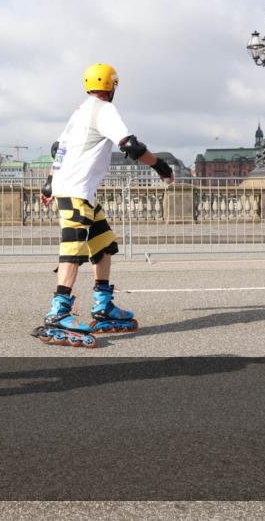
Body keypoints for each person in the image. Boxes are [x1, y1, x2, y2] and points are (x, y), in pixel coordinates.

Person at [33, 63, 174, 348]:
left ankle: (104, 305)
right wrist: (159, 165)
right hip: (77, 192)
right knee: (73, 251)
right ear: (112, 87)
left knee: (103, 245)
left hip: (78, 191)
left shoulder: (79, 112)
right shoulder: (104, 110)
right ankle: (58, 313)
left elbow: (57, 149)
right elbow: (131, 146)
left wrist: (49, 183)